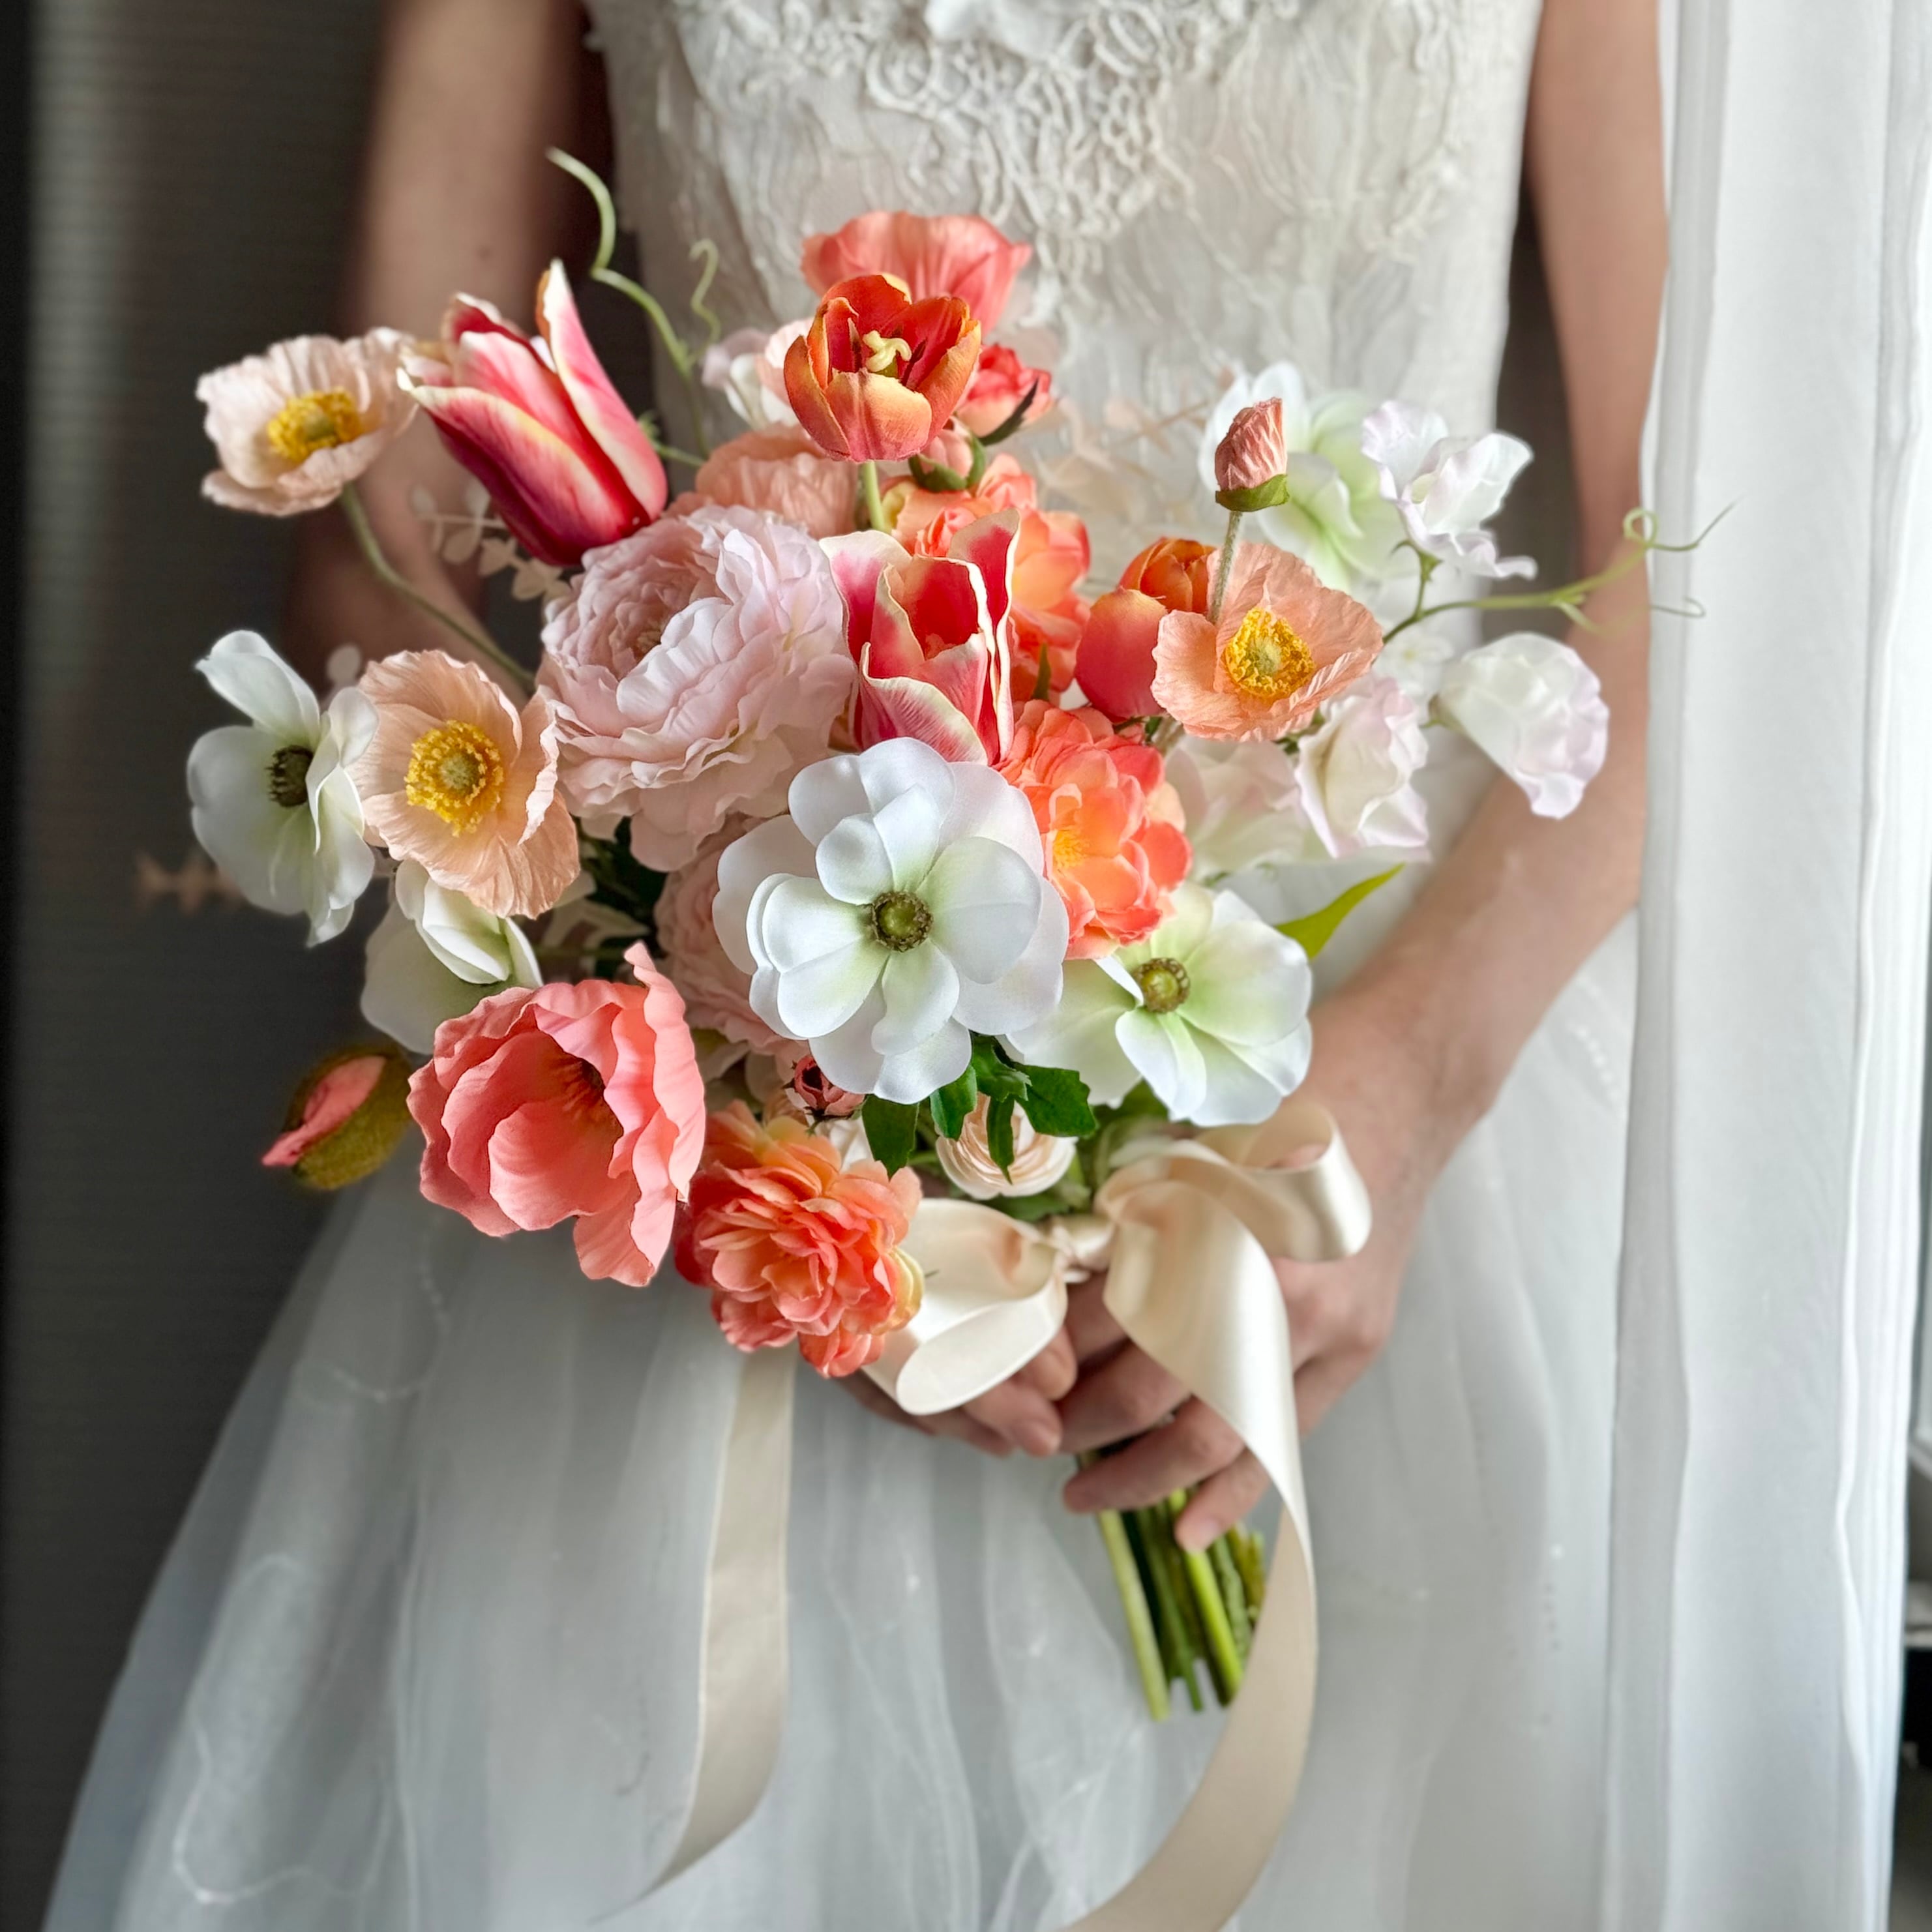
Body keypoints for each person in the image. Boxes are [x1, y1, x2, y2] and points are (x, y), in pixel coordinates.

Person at [45, 1, 1664, 1926]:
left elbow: (1710, 565)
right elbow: (380, 562)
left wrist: (1396, 1098)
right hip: (738, 1089)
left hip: (1402, 1113)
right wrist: (760, 1143)